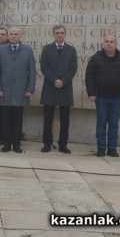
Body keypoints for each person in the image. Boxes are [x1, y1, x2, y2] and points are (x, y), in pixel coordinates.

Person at [85, 34, 120, 157]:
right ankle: (101, 148)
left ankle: (112, 148)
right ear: (103, 43)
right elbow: (89, 77)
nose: (109, 43)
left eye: (112, 41)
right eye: (107, 41)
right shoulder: (96, 58)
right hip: (101, 97)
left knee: (113, 123)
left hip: (117, 97)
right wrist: (91, 93)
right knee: (101, 123)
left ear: (115, 44)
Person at [0, 26, 36, 153]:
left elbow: (32, 72)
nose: (13, 36)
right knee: (5, 119)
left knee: (17, 119)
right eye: (11, 34)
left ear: (20, 35)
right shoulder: (1, 50)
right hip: (4, 92)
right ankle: (6, 144)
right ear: (8, 35)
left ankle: (16, 144)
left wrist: (30, 89)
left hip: (21, 92)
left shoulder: (27, 50)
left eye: (16, 34)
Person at [40, 25, 78, 154]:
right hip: (50, 87)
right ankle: (47, 144)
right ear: (53, 34)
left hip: (65, 88)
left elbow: (73, 69)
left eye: (61, 33)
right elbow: (44, 67)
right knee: (47, 118)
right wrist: (55, 80)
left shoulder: (71, 50)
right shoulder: (46, 49)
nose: (59, 35)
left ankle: (63, 144)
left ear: (65, 34)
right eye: (57, 33)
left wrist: (63, 81)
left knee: (65, 119)